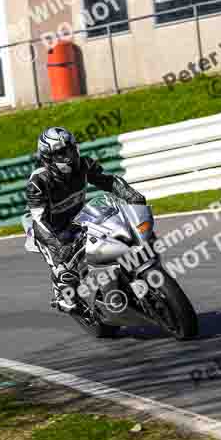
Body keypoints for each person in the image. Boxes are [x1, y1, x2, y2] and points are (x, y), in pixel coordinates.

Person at [26, 127, 146, 312]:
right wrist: (58, 246)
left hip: (78, 219)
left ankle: (126, 275)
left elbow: (108, 181)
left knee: (120, 234)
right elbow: (39, 220)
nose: (69, 157)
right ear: (48, 158)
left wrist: (131, 195)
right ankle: (62, 293)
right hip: (51, 231)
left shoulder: (83, 165)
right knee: (66, 274)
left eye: (70, 149)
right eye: (61, 153)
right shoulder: (38, 181)